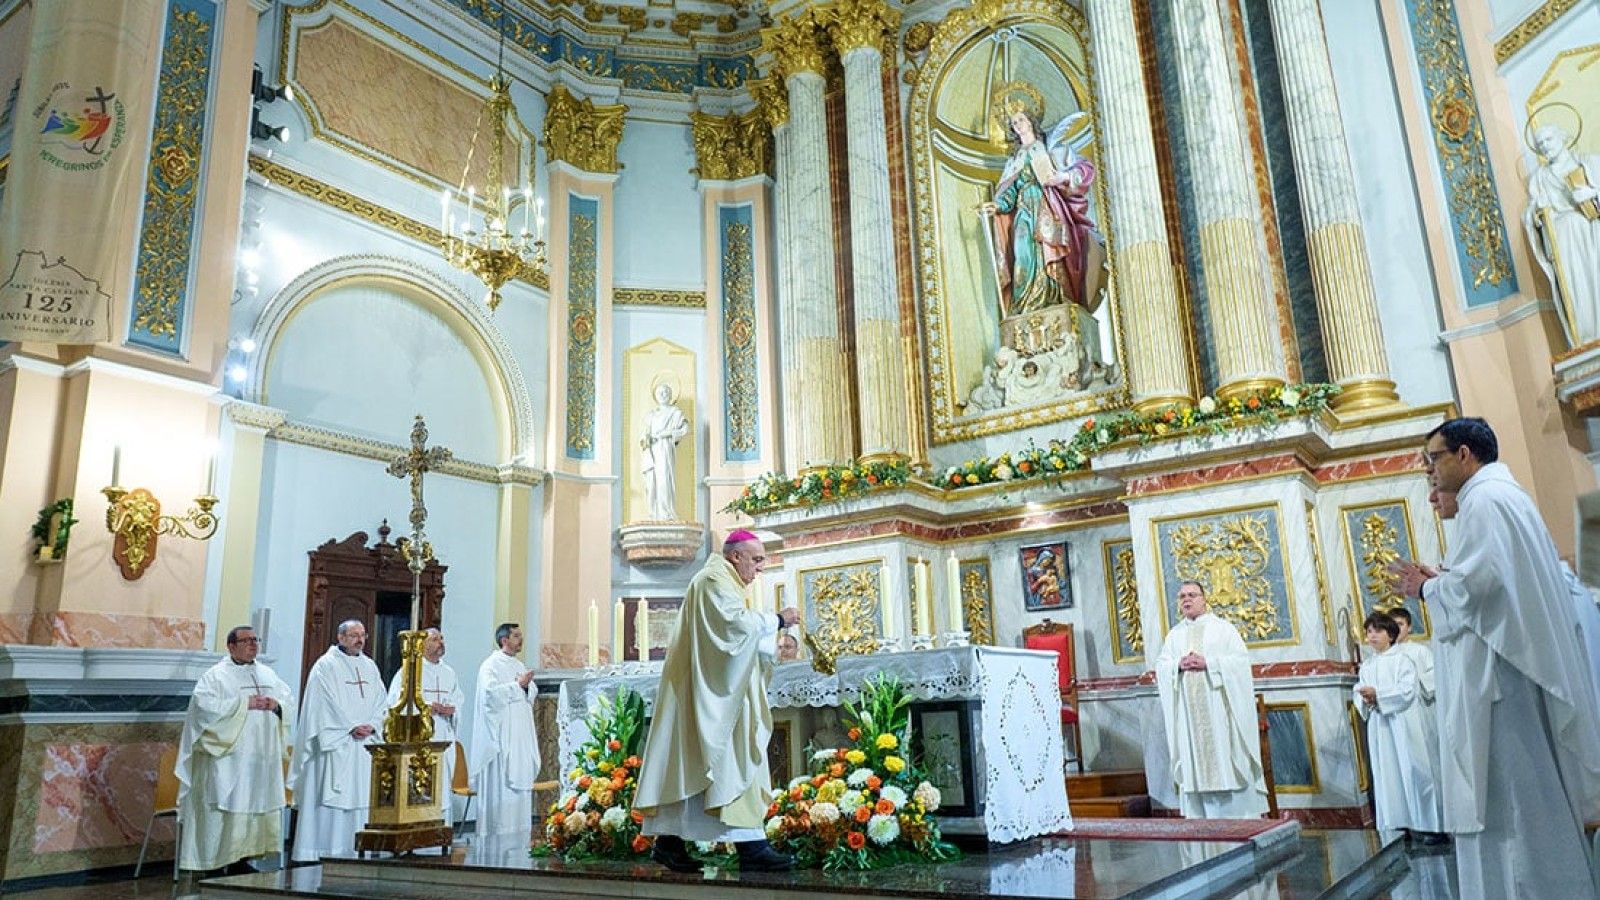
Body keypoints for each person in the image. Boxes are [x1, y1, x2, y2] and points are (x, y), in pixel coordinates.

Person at [1391, 417, 1600, 898]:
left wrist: (1428, 588)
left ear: (1465, 455)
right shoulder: (1502, 497)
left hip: (1500, 689)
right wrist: (1444, 577)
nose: (1431, 472)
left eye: (1435, 459)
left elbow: (1478, 589)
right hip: (1510, 675)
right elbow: (1489, 584)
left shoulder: (1483, 501)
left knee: (1511, 808)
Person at [634, 530, 802, 872]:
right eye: (755, 560)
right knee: (730, 764)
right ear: (735, 555)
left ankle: (669, 843)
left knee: (697, 766)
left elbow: (732, 637)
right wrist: (779, 620)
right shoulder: (714, 579)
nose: (760, 568)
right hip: (716, 697)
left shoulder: (719, 580)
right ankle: (751, 847)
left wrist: (768, 641)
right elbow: (733, 628)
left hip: (712, 689)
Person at [175, 626, 294, 875]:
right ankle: (214, 863)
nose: (253, 644)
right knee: (223, 807)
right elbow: (202, 709)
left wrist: (277, 705)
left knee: (252, 806)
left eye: (255, 639)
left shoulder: (268, 674)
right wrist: (243, 704)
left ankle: (242, 859)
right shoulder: (215, 676)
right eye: (247, 640)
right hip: (228, 758)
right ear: (231, 646)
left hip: (258, 759)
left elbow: (288, 701)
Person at [1153, 581, 1268, 818]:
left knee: (1226, 757)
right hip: (1189, 716)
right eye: (1182, 596)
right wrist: (1177, 665)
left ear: (1204, 599)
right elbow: (1162, 666)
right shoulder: (1174, 636)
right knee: (1194, 763)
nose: (1186, 599)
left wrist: (1210, 663)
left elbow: (1239, 663)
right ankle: (1200, 819)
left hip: (1220, 711)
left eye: (1192, 595)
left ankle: (1238, 815)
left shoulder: (1223, 629)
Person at [291, 619, 386, 862]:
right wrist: (349, 727)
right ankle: (322, 851)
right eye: (354, 635)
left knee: (360, 796)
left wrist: (373, 724)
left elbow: (381, 702)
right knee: (333, 795)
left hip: (364, 745)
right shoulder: (326, 666)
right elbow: (321, 705)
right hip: (335, 744)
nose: (360, 639)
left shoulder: (370, 666)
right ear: (341, 637)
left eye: (363, 634)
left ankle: (356, 850)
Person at [1353, 613, 1445, 843]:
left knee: (1414, 770)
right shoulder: (1368, 665)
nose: (1372, 636)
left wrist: (1380, 696)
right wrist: (1364, 698)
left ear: (1391, 635)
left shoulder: (1403, 660)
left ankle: (1428, 826)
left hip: (1404, 723)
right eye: (1369, 632)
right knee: (1387, 776)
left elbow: (1407, 691)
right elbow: (1359, 690)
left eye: (1377, 631)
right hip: (1380, 726)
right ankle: (1395, 825)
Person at [1523, 124, 1600, 346]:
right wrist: (1537, 211)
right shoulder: (1539, 178)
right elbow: (1532, 216)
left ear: (1563, 137)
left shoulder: (1588, 162)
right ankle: (1587, 335)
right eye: (1540, 144)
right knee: (1578, 291)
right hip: (1564, 243)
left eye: (1548, 139)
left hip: (1591, 234)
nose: (1545, 146)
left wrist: (1592, 194)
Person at [469, 622, 540, 839]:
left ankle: (520, 836)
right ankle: (496, 835)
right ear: (504, 640)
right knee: (502, 785)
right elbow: (489, 696)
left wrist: (525, 686)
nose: (521, 639)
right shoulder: (490, 666)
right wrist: (517, 686)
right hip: (502, 736)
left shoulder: (518, 664)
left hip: (520, 735)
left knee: (520, 790)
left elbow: (531, 692)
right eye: (516, 636)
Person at [385, 627, 464, 794]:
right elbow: (395, 702)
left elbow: (458, 699)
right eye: (435, 639)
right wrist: (425, 707)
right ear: (422, 644)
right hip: (421, 734)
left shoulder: (449, 672)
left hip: (443, 733)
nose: (440, 643)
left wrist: (452, 709)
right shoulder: (410, 671)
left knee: (442, 786)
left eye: (441, 639)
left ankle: (444, 819)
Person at [640, 382, 689, 521]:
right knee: (652, 482)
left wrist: (667, 433)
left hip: (665, 449)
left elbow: (684, 430)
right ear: (655, 395)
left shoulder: (675, 413)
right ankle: (654, 512)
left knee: (664, 480)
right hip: (652, 450)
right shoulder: (651, 415)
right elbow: (644, 434)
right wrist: (645, 439)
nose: (662, 394)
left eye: (665, 392)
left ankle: (666, 512)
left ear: (670, 394)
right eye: (659, 392)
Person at [1385, 606, 1434, 711]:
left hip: (1420, 705)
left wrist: (1416, 684)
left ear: (1409, 627)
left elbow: (1435, 674)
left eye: (1400, 624)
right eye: (1392, 625)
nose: (1396, 629)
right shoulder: (1385, 655)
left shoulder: (1420, 650)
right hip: (1395, 707)